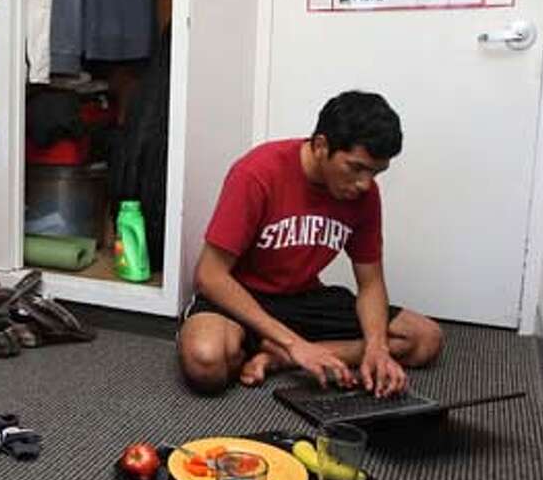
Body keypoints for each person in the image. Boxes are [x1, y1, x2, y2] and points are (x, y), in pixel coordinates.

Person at [178, 90, 443, 397]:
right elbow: (210, 276)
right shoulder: (257, 172)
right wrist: (297, 343)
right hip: (242, 296)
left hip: (305, 298)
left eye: (376, 172)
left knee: (424, 338)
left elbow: (370, 284)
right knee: (206, 361)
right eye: (356, 168)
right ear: (321, 146)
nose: (365, 184)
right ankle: (293, 348)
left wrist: (377, 347)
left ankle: (279, 358)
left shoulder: (365, 195)